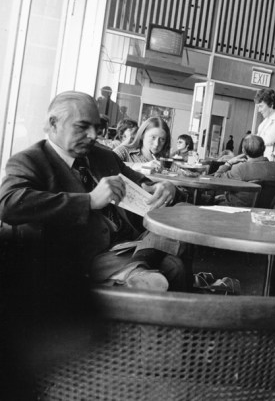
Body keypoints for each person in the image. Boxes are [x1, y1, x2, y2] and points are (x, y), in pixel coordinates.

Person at [0, 91, 186, 292]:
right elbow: (7, 203)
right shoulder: (31, 160)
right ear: (53, 124)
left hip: (128, 244)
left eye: (96, 128)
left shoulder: (104, 157)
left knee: (184, 212)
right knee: (174, 266)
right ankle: (139, 267)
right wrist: (88, 200)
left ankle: (136, 267)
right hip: (85, 255)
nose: (92, 136)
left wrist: (165, 187)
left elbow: (143, 183)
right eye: (82, 127)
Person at [214, 135, 275, 207]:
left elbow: (217, 179)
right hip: (264, 210)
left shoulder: (239, 169)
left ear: (243, 151)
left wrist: (228, 163)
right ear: (264, 148)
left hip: (237, 210)